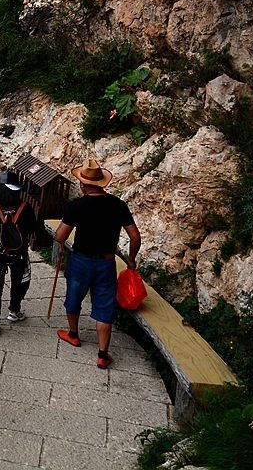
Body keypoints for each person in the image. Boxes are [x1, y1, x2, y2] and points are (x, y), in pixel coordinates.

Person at [53, 158, 142, 369]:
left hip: (81, 260)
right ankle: (103, 354)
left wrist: (62, 233)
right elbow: (135, 237)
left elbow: (60, 236)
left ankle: (73, 334)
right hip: (106, 262)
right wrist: (131, 260)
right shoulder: (118, 205)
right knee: (104, 305)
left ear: (83, 184)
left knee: (74, 296)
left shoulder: (77, 206)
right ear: (102, 183)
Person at [0, 169, 36, 336]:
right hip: (19, 254)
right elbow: (32, 229)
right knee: (20, 281)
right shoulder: (25, 208)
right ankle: (14, 310)